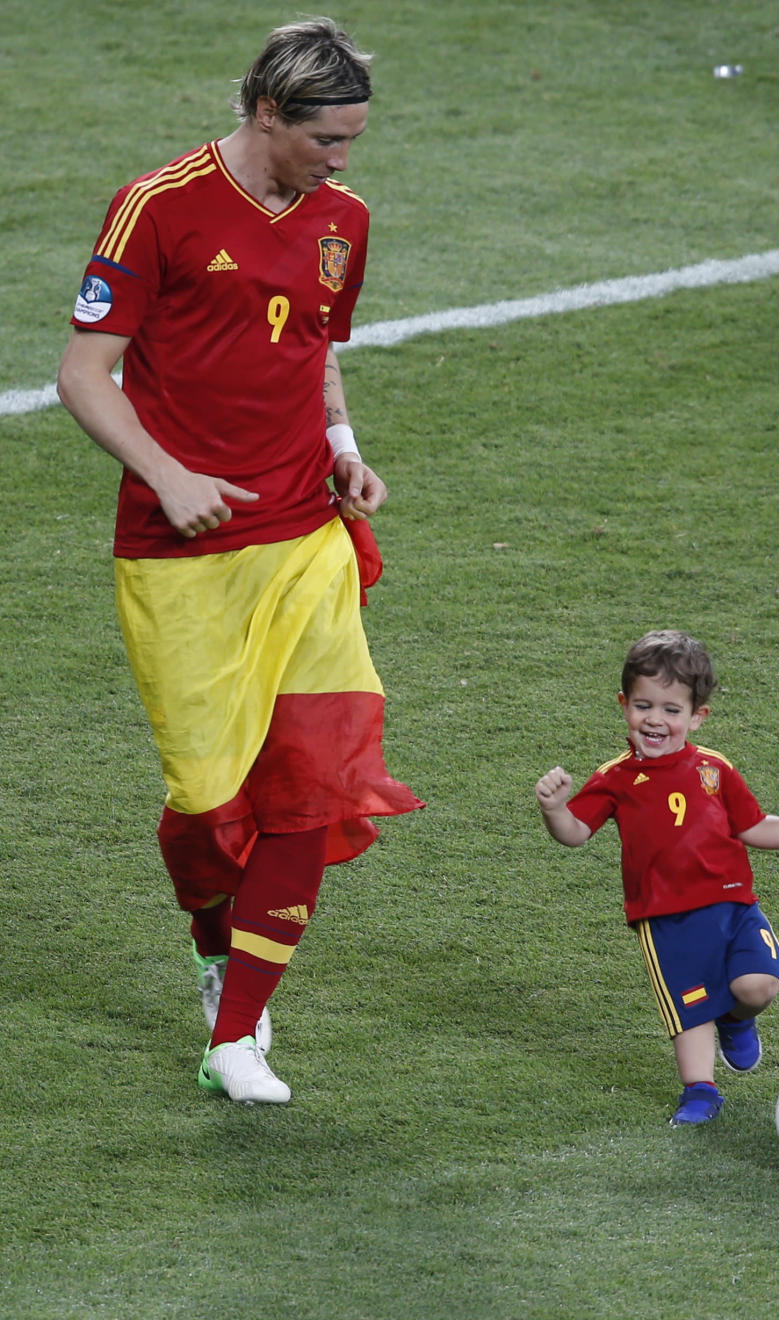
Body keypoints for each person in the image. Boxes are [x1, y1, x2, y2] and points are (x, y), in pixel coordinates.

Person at [57, 17, 423, 1106]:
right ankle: (217, 950)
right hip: (181, 555)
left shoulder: (343, 220)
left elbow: (316, 351)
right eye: (328, 138)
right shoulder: (158, 205)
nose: (343, 160)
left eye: (355, 139)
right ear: (269, 113)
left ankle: (239, 1031)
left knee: (315, 784)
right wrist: (166, 474)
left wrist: (347, 452)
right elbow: (83, 375)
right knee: (207, 811)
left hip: (304, 540)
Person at [534, 630, 779, 1127]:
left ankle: (737, 1019)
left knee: (757, 987)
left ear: (698, 716)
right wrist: (554, 808)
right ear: (623, 705)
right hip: (664, 921)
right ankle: (700, 1090)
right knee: (690, 1011)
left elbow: (751, 826)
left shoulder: (715, 769)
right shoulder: (615, 778)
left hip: (735, 909)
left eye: (672, 710)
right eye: (643, 706)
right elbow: (574, 834)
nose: (655, 720)